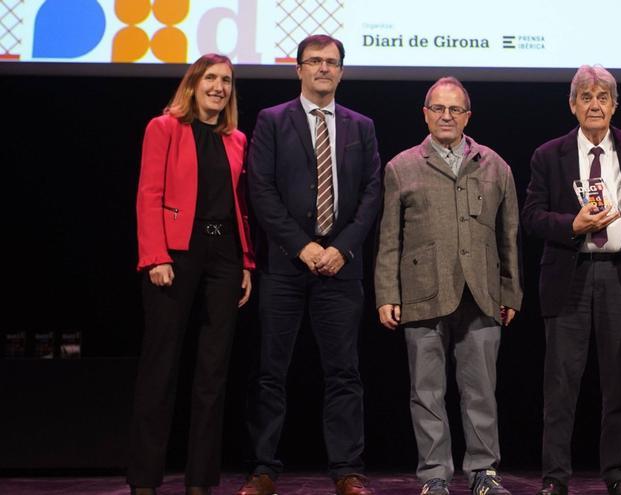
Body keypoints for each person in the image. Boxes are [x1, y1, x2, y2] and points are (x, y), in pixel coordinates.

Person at [239, 34, 381, 495]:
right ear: (298, 69)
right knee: (271, 371)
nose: (324, 68)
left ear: (342, 70)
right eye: (314, 61)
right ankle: (263, 469)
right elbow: (261, 190)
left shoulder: (362, 126)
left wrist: (341, 248)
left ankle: (347, 471)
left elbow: (371, 194)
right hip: (285, 264)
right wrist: (303, 247)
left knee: (344, 372)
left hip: (342, 267)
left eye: (332, 62)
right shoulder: (272, 121)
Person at [374, 77, 522, 495]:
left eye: (455, 109)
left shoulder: (495, 165)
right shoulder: (401, 166)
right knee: (426, 391)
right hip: (422, 292)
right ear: (425, 113)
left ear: (467, 116)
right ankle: (435, 476)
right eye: (438, 108)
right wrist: (387, 294)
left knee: (480, 391)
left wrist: (510, 292)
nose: (446, 116)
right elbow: (389, 238)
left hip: (482, 293)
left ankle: (483, 472)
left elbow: (508, 236)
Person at [128, 53, 254, 495]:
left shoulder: (236, 138)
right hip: (175, 253)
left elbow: (238, 204)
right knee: (161, 366)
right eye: (212, 78)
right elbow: (149, 194)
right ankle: (144, 479)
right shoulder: (163, 127)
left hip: (224, 256)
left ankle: (201, 481)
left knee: (213, 372)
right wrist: (155, 256)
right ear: (194, 83)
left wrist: (245, 262)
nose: (220, 86)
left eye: (227, 80)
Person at [521, 65, 621, 495]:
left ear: (614, 105)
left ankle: (616, 474)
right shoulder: (548, 155)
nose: (594, 104)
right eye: (586, 96)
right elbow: (532, 217)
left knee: (619, 383)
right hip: (569, 275)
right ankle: (555, 477)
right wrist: (571, 224)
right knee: (561, 385)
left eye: (603, 97)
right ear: (572, 104)